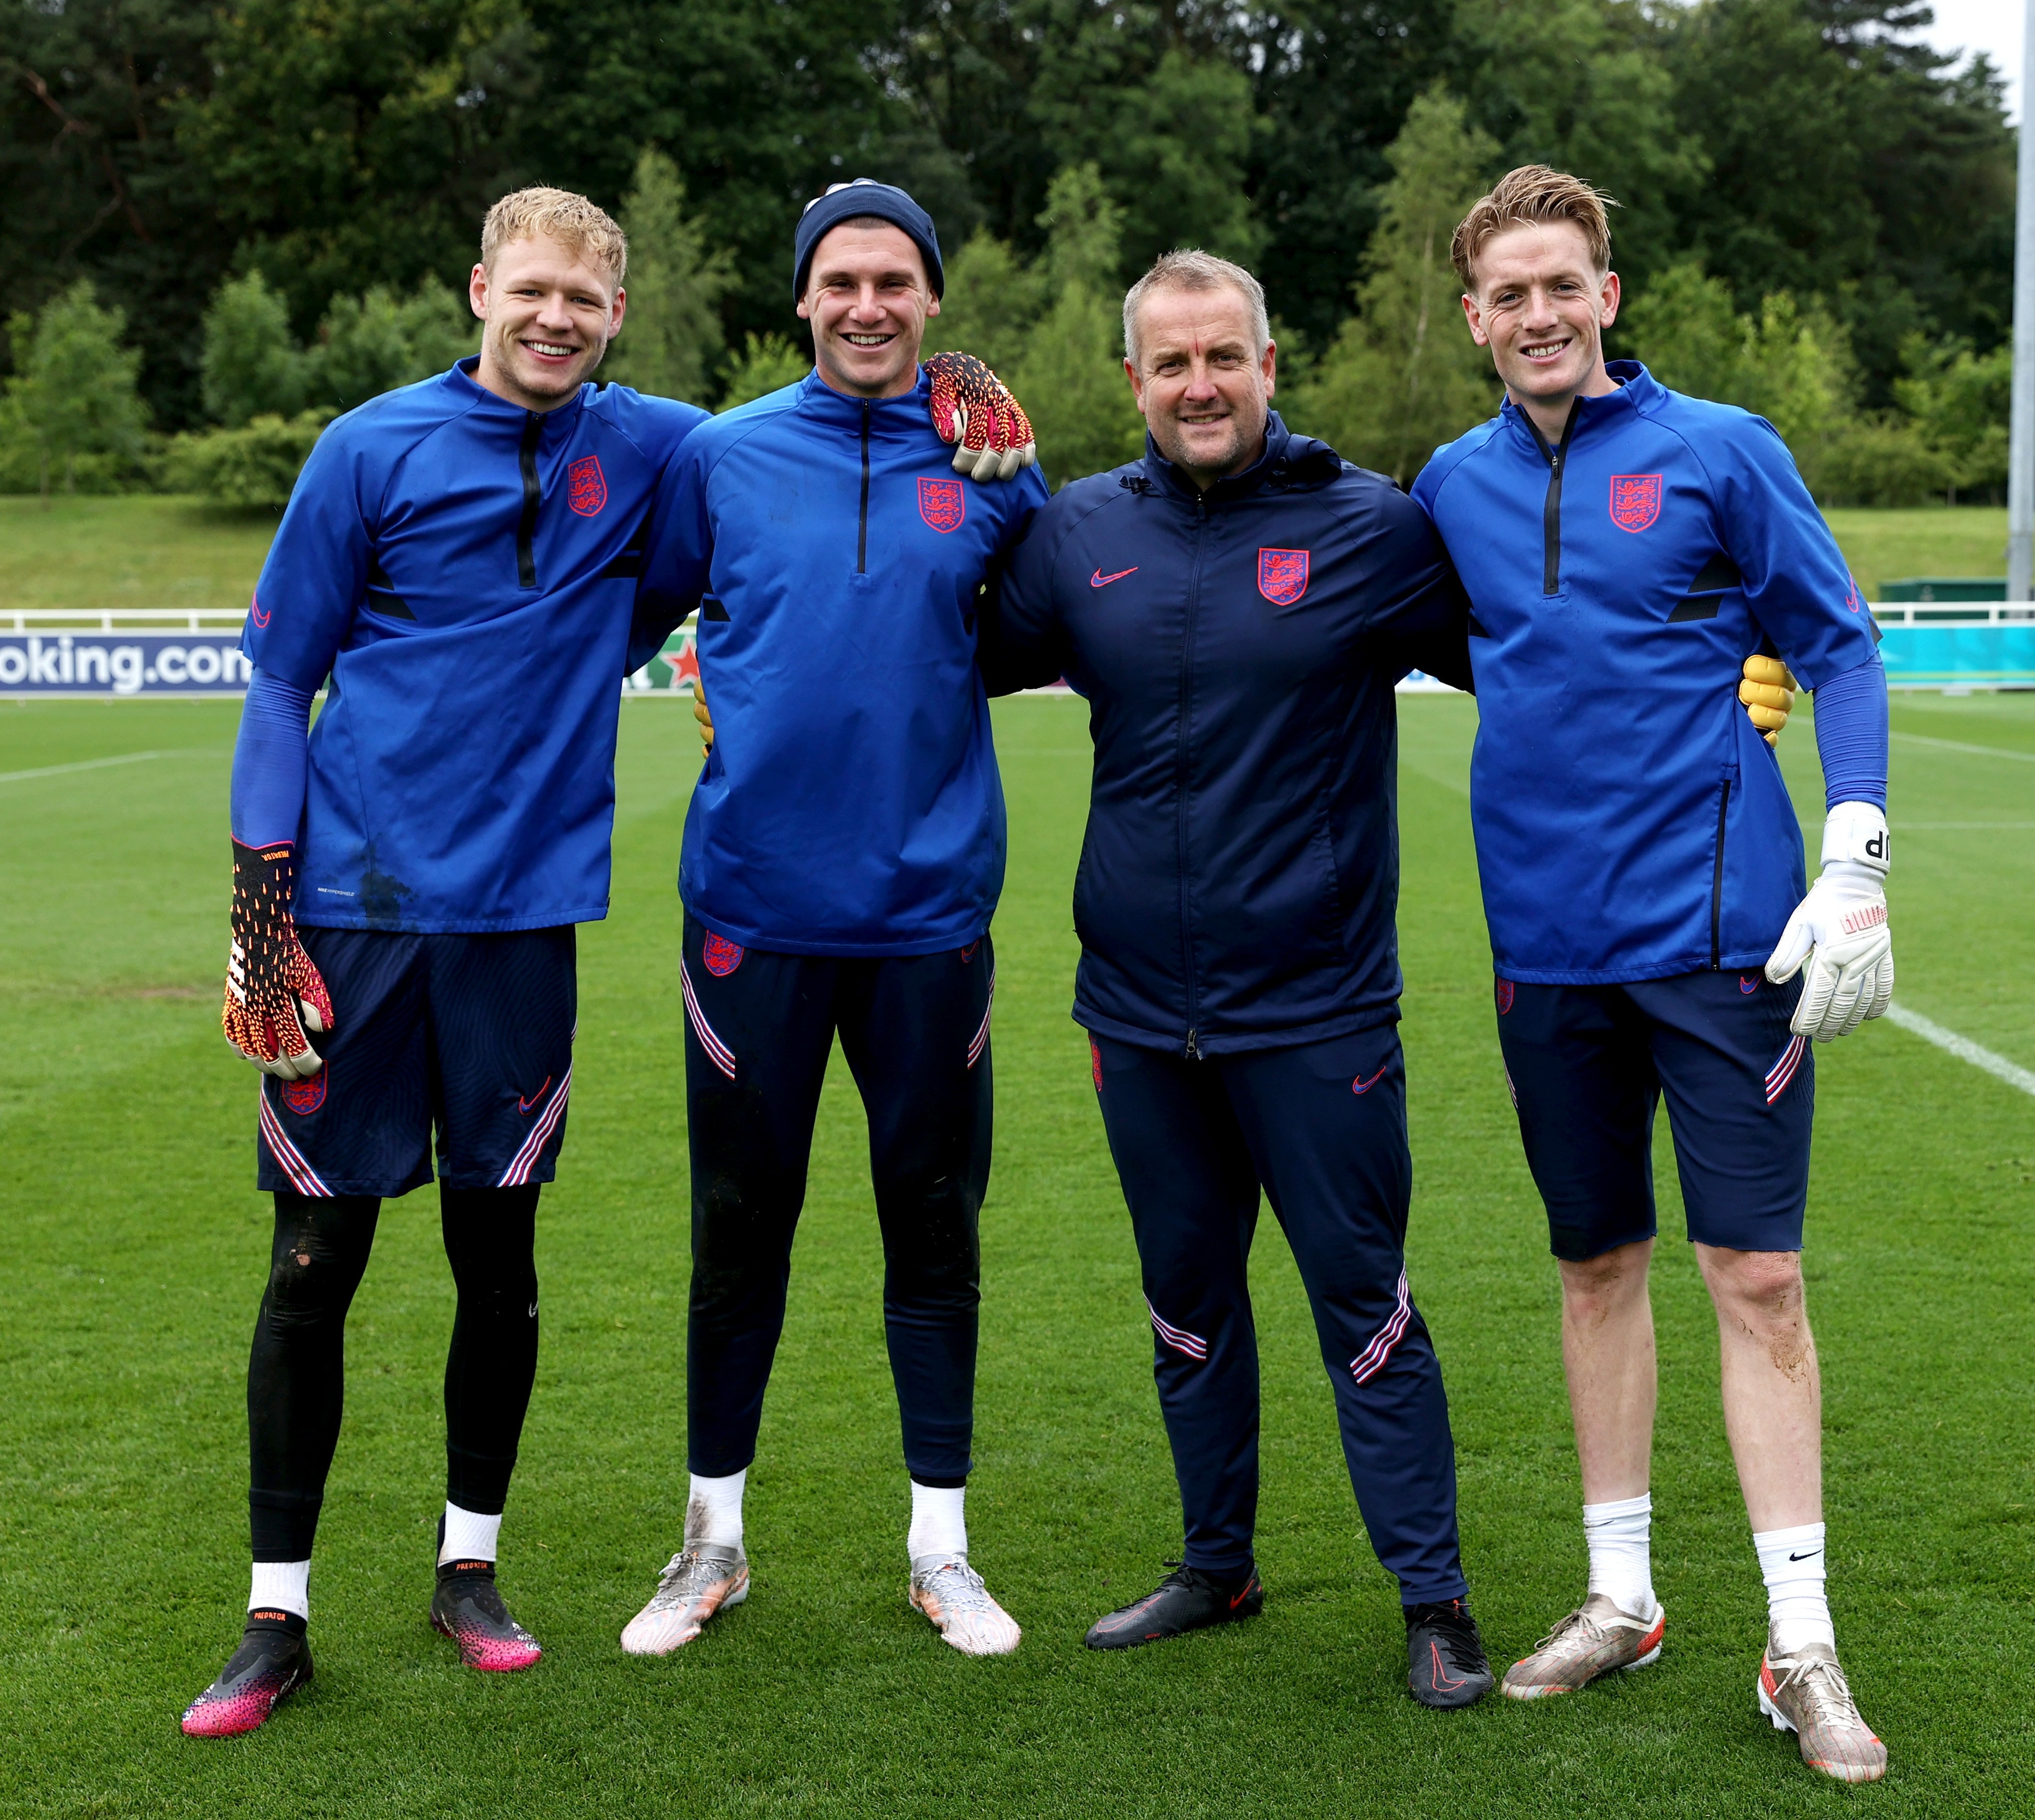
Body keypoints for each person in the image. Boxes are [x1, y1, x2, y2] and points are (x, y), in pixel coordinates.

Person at [183, 184, 1032, 1739]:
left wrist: (957, 375)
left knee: (496, 1256)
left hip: (524, 923)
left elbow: (778, 529)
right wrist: (260, 902)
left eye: (583, 298)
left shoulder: (660, 444)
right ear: (480, 290)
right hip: (355, 918)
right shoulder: (368, 448)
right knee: (315, 1260)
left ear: (617, 315)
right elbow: (279, 671)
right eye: (531, 292)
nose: (554, 317)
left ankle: (470, 1571)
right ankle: (275, 1609)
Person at [1412, 166, 1890, 1783]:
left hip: (1725, 937)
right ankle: (1622, 1595)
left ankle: (1804, 1647)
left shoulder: (1723, 450)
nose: (1538, 314)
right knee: (1594, 1264)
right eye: (1507, 294)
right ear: (1474, 318)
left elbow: (1834, 641)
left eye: (1564, 284)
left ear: (1606, 293)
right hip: (1543, 944)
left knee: (1756, 1276)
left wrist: (1857, 855)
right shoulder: (1450, 486)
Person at [974, 249, 1498, 1705]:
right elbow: (941, 657)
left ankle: (1436, 1597)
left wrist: (1724, 670)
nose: (1199, 384)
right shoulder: (1077, 534)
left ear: (1272, 364)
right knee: (1187, 1299)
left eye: (1226, 356)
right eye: (1171, 362)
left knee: (1365, 1303)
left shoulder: (1374, 529)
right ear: (1132, 378)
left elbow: (1540, 657)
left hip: (1318, 1004)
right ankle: (1218, 1563)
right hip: (1137, 1009)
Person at [619, 181, 1050, 1661]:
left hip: (930, 919)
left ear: (933, 302)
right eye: (841, 282)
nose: (867, 305)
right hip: (750, 914)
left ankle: (943, 1549)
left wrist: (984, 407)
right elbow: (633, 613)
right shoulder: (719, 454)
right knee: (738, 1230)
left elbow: (1068, 614)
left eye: (896, 283)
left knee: (933, 1227)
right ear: (802, 299)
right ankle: (711, 1545)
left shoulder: (992, 464)